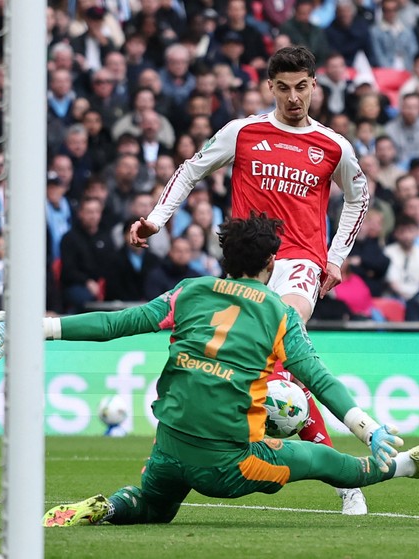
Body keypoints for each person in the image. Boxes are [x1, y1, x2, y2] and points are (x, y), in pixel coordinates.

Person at [0, 214, 419, 527]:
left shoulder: (190, 291)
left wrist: (37, 327)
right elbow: (316, 377)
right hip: (228, 465)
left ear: (225, 258)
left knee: (153, 506)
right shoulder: (278, 311)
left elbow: (115, 323)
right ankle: (406, 467)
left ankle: (110, 506)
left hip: (168, 447)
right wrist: (367, 426)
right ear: (272, 262)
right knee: (329, 463)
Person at [128, 47, 370, 515]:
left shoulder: (333, 145)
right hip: (247, 266)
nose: (294, 97)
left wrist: (335, 257)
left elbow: (359, 198)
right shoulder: (243, 132)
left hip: (300, 259)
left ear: (314, 85)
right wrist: (158, 218)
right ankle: (333, 468)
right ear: (269, 87)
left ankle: (343, 480)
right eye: (284, 87)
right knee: (272, 366)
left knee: (284, 332)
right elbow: (191, 169)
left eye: (302, 87)